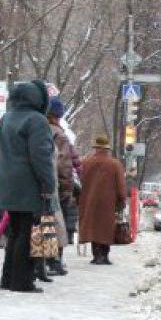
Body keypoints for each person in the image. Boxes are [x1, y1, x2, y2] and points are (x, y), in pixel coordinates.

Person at [0, 80, 55, 293]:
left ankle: (7, 278)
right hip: (29, 186)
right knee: (28, 234)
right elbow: (41, 157)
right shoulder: (37, 121)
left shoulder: (6, 118)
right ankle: (22, 281)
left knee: (15, 232)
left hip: (7, 185)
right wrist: (48, 185)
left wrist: (3, 177)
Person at [79, 135, 126, 265]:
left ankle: (96, 255)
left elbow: (79, 182)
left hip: (89, 201)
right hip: (108, 203)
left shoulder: (86, 162)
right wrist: (122, 201)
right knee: (105, 228)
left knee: (93, 226)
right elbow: (121, 186)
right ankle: (104, 255)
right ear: (107, 148)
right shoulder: (115, 164)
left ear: (96, 148)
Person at [46, 97, 73, 276]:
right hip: (54, 185)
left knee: (43, 223)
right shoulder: (59, 135)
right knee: (56, 225)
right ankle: (54, 261)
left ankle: (44, 260)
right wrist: (66, 188)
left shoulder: (38, 129)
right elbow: (64, 164)